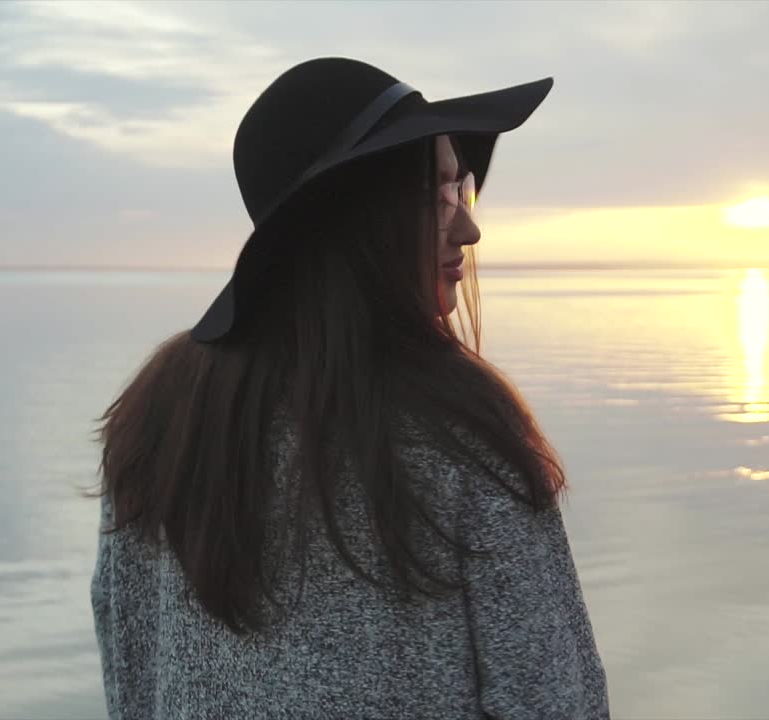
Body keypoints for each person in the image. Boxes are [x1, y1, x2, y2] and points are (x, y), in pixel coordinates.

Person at [88, 57, 609, 719]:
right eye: (438, 195)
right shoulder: (459, 423)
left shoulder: (162, 407)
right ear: (358, 214)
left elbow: (132, 665)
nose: (469, 228)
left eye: (463, 187)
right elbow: (552, 697)